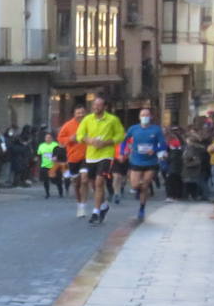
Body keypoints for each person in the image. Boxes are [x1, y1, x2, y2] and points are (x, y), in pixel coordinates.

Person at [75, 96, 124, 225]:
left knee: (99, 182)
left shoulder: (112, 120)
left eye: (99, 105)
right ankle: (103, 206)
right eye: (94, 105)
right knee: (89, 182)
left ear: (105, 107)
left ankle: (96, 212)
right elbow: (80, 135)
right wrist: (89, 140)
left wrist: (107, 142)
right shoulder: (87, 119)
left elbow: (120, 135)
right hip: (90, 156)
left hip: (106, 155)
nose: (96, 107)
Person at [123, 108, 165, 222]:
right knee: (135, 185)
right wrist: (123, 151)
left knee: (145, 184)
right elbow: (124, 140)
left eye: (147, 115)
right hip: (136, 160)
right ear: (139, 117)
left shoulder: (156, 130)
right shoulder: (133, 129)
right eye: (142, 115)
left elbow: (163, 145)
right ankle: (138, 190)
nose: (145, 117)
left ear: (150, 117)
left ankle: (142, 208)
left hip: (151, 161)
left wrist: (155, 149)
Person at [56, 105, 88, 218]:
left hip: (87, 156)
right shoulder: (68, 125)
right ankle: (79, 204)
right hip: (73, 157)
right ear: (74, 114)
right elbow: (60, 139)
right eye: (78, 113)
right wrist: (70, 139)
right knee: (77, 183)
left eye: (82, 112)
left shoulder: (89, 123)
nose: (80, 115)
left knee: (84, 179)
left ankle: (83, 206)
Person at [35, 131, 63, 199]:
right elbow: (39, 155)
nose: (48, 139)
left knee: (56, 180)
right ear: (45, 138)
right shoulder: (41, 146)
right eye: (47, 137)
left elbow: (61, 153)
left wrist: (57, 157)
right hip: (45, 166)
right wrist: (37, 161)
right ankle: (47, 193)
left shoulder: (55, 145)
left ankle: (60, 192)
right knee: (45, 181)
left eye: (49, 137)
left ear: (52, 138)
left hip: (54, 166)